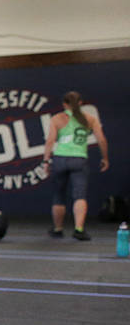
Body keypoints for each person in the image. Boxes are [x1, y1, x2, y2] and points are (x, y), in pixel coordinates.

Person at [44, 91, 109, 240]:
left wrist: (46, 161)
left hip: (60, 159)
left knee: (59, 195)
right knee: (79, 195)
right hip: (79, 159)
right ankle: (79, 229)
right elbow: (102, 140)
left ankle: (58, 229)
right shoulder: (90, 119)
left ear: (64, 104)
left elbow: (50, 142)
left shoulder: (57, 118)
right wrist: (105, 158)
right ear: (80, 103)